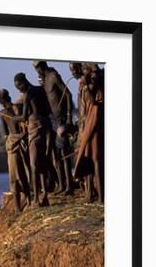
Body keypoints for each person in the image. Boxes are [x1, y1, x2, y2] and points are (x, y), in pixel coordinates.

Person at [33, 60, 74, 195]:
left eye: (37, 68)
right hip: (52, 120)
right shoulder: (44, 80)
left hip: (61, 118)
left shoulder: (53, 76)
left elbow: (68, 94)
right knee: (56, 154)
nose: (36, 71)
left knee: (64, 153)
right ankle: (62, 185)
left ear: (41, 66)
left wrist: (68, 118)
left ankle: (69, 186)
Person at [12, 72, 52, 206]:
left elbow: (23, 117)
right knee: (43, 162)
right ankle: (44, 194)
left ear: (23, 82)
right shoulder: (40, 90)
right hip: (46, 126)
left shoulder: (29, 94)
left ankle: (36, 198)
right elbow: (48, 109)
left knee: (34, 165)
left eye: (19, 87)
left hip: (35, 129)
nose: (19, 90)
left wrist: (14, 118)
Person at [73, 62, 104, 203]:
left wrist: (85, 87)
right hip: (88, 125)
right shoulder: (88, 85)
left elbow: (93, 102)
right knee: (89, 158)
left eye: (85, 69)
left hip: (94, 125)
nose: (82, 72)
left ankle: (101, 196)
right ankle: (90, 193)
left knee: (96, 160)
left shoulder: (93, 86)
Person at [0, 88, 31, 212]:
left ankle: (18, 207)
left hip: (13, 144)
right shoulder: (17, 109)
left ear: (2, 100)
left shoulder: (3, 113)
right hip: (21, 142)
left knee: (15, 176)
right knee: (25, 171)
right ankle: (28, 200)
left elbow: (6, 133)